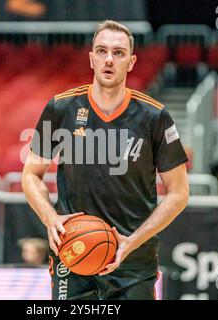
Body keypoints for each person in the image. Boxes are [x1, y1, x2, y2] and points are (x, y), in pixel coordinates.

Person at [22, 20, 189, 300]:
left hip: (133, 261)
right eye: (101, 51)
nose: (109, 59)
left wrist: (132, 242)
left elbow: (179, 193)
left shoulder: (154, 117)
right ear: (91, 58)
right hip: (73, 253)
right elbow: (31, 174)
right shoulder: (60, 109)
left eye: (118, 53)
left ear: (132, 62)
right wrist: (50, 218)